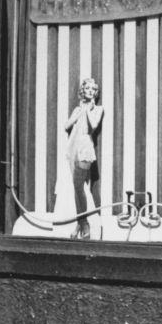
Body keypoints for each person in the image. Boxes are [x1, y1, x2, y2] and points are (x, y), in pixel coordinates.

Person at [64, 78, 104, 240]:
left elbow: (93, 126)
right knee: (77, 188)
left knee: (78, 186)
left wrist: (88, 110)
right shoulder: (77, 109)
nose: (90, 91)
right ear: (83, 90)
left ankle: (84, 223)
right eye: (87, 88)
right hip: (73, 147)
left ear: (95, 93)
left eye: (93, 89)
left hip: (85, 149)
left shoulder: (98, 109)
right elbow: (66, 126)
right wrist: (78, 113)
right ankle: (80, 224)